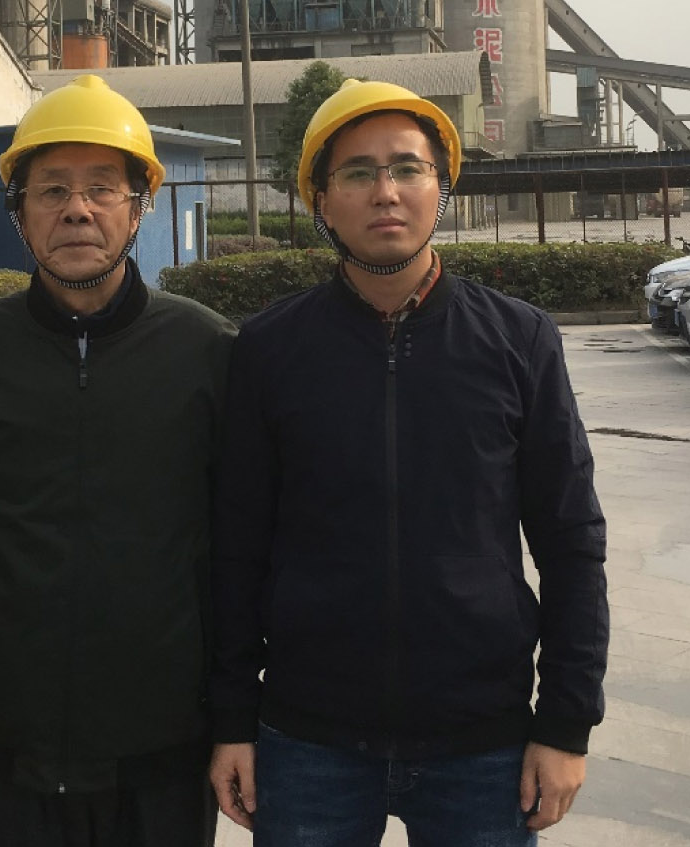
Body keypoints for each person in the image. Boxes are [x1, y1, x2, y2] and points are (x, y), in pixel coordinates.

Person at [209, 79, 609, 846]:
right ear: (321, 201)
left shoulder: (519, 340)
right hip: (309, 741)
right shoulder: (269, 349)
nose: (385, 191)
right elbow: (237, 548)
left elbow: (571, 539)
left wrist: (566, 720)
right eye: (358, 172)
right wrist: (232, 718)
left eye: (407, 168)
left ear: (441, 187)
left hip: (483, 743)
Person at [0, 74, 235, 847]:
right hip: (15, 741)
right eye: (51, 189)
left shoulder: (208, 351)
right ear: (19, 211)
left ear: (139, 205)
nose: (77, 209)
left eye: (101, 188)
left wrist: (234, 717)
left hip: (167, 742)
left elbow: (235, 544)